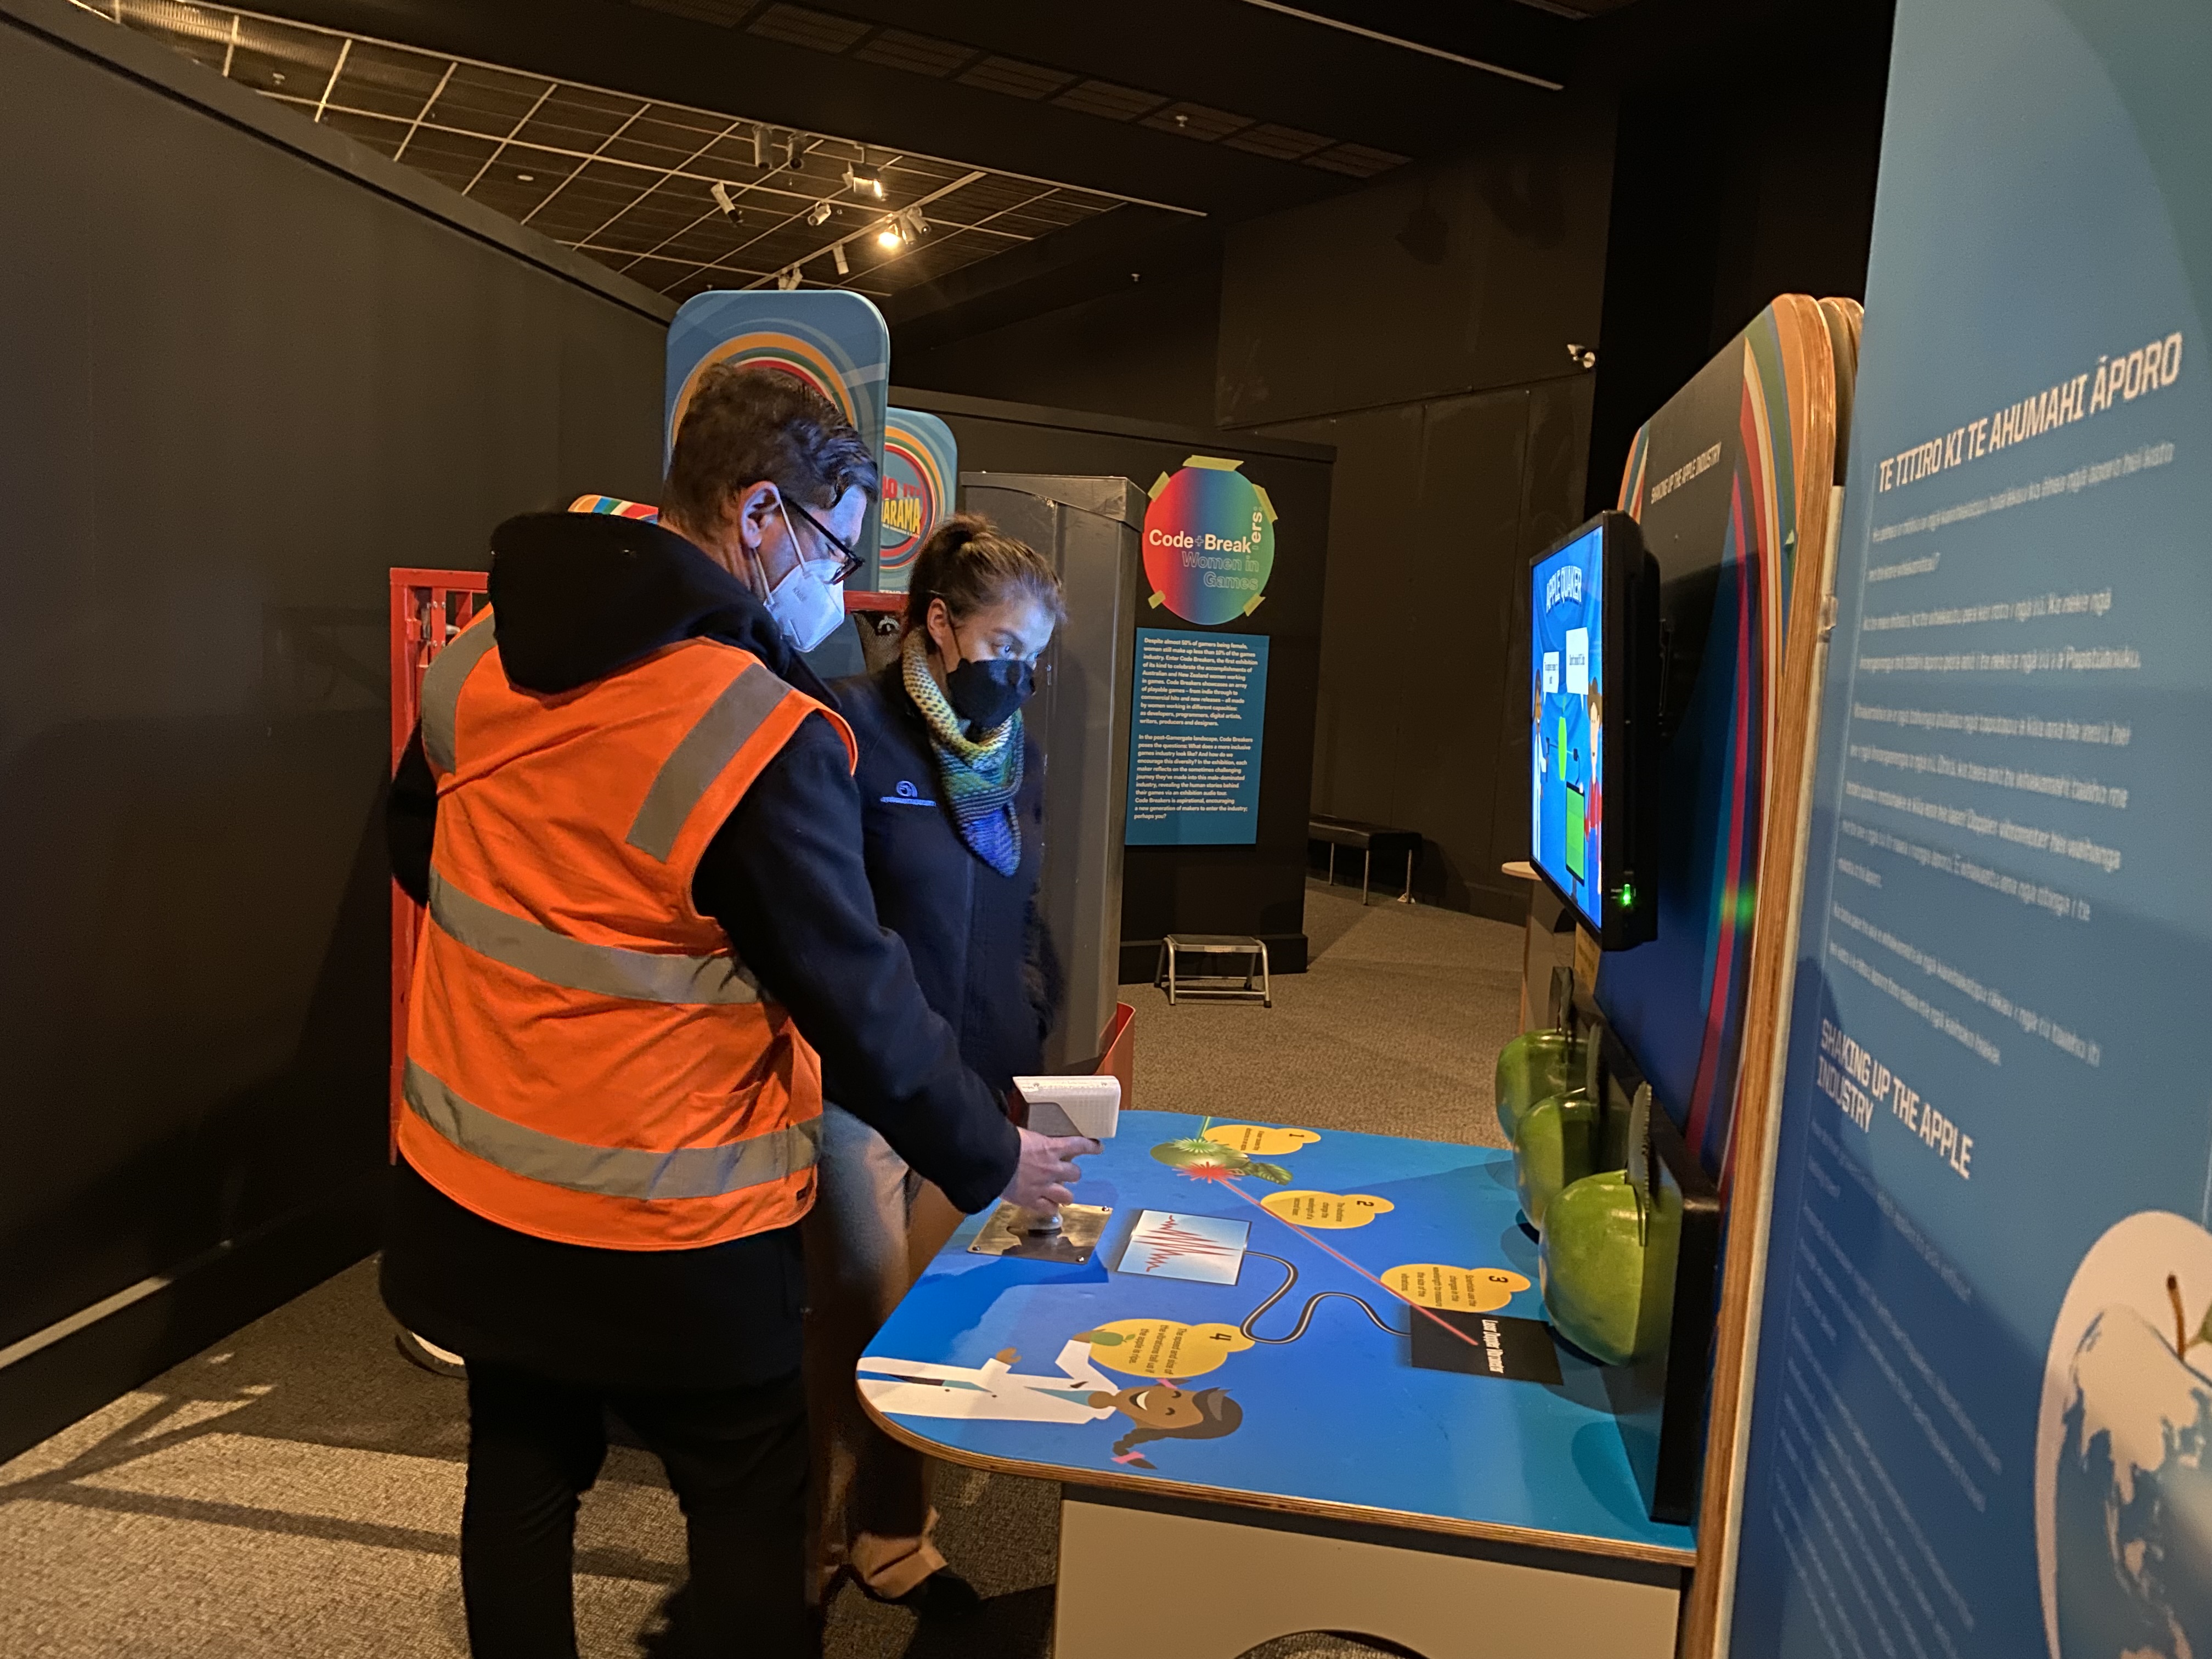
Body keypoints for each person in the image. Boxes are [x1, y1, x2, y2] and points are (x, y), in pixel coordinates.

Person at [381, 365, 1097, 1659]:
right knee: (752, 1509)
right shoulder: (752, 727)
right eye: (833, 545)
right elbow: (857, 996)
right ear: (760, 515)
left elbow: (416, 845)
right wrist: (993, 1156)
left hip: (475, 1186)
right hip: (672, 1220)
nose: (840, 583)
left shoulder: (478, 656)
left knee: (523, 1481)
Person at [805, 517, 1066, 1617]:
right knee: (854, 1319)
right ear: (939, 625)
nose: (1014, 675)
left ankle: (891, 1529)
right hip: (860, 1090)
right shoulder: (848, 733)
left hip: (970, 1087)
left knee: (930, 1319)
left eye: (1033, 659)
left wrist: (1028, 1037)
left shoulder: (1023, 756)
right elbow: (823, 933)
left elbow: (1017, 914)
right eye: (1000, 646)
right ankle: (804, 1546)